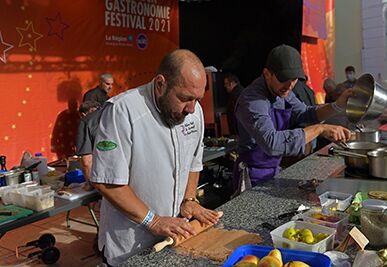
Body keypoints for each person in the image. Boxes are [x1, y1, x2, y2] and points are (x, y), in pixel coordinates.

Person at [90, 49, 221, 266]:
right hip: (131, 244)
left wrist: (188, 199)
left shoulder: (193, 111)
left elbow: (194, 161)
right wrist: (154, 221)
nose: (192, 108)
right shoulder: (122, 112)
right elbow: (107, 181)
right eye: (185, 98)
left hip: (174, 237)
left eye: (197, 99)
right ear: (161, 84)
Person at [234, 44, 352, 189]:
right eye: (284, 78)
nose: (290, 85)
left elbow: (306, 114)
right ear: (267, 74)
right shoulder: (252, 100)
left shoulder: (283, 91)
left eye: (294, 79)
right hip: (251, 176)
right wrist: (320, 129)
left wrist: (338, 105)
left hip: (274, 170)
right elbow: (272, 143)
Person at [76, 100, 102, 191]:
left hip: (105, 180)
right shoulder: (114, 114)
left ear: (83, 114)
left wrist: (90, 184)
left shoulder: (85, 121)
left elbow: (86, 161)